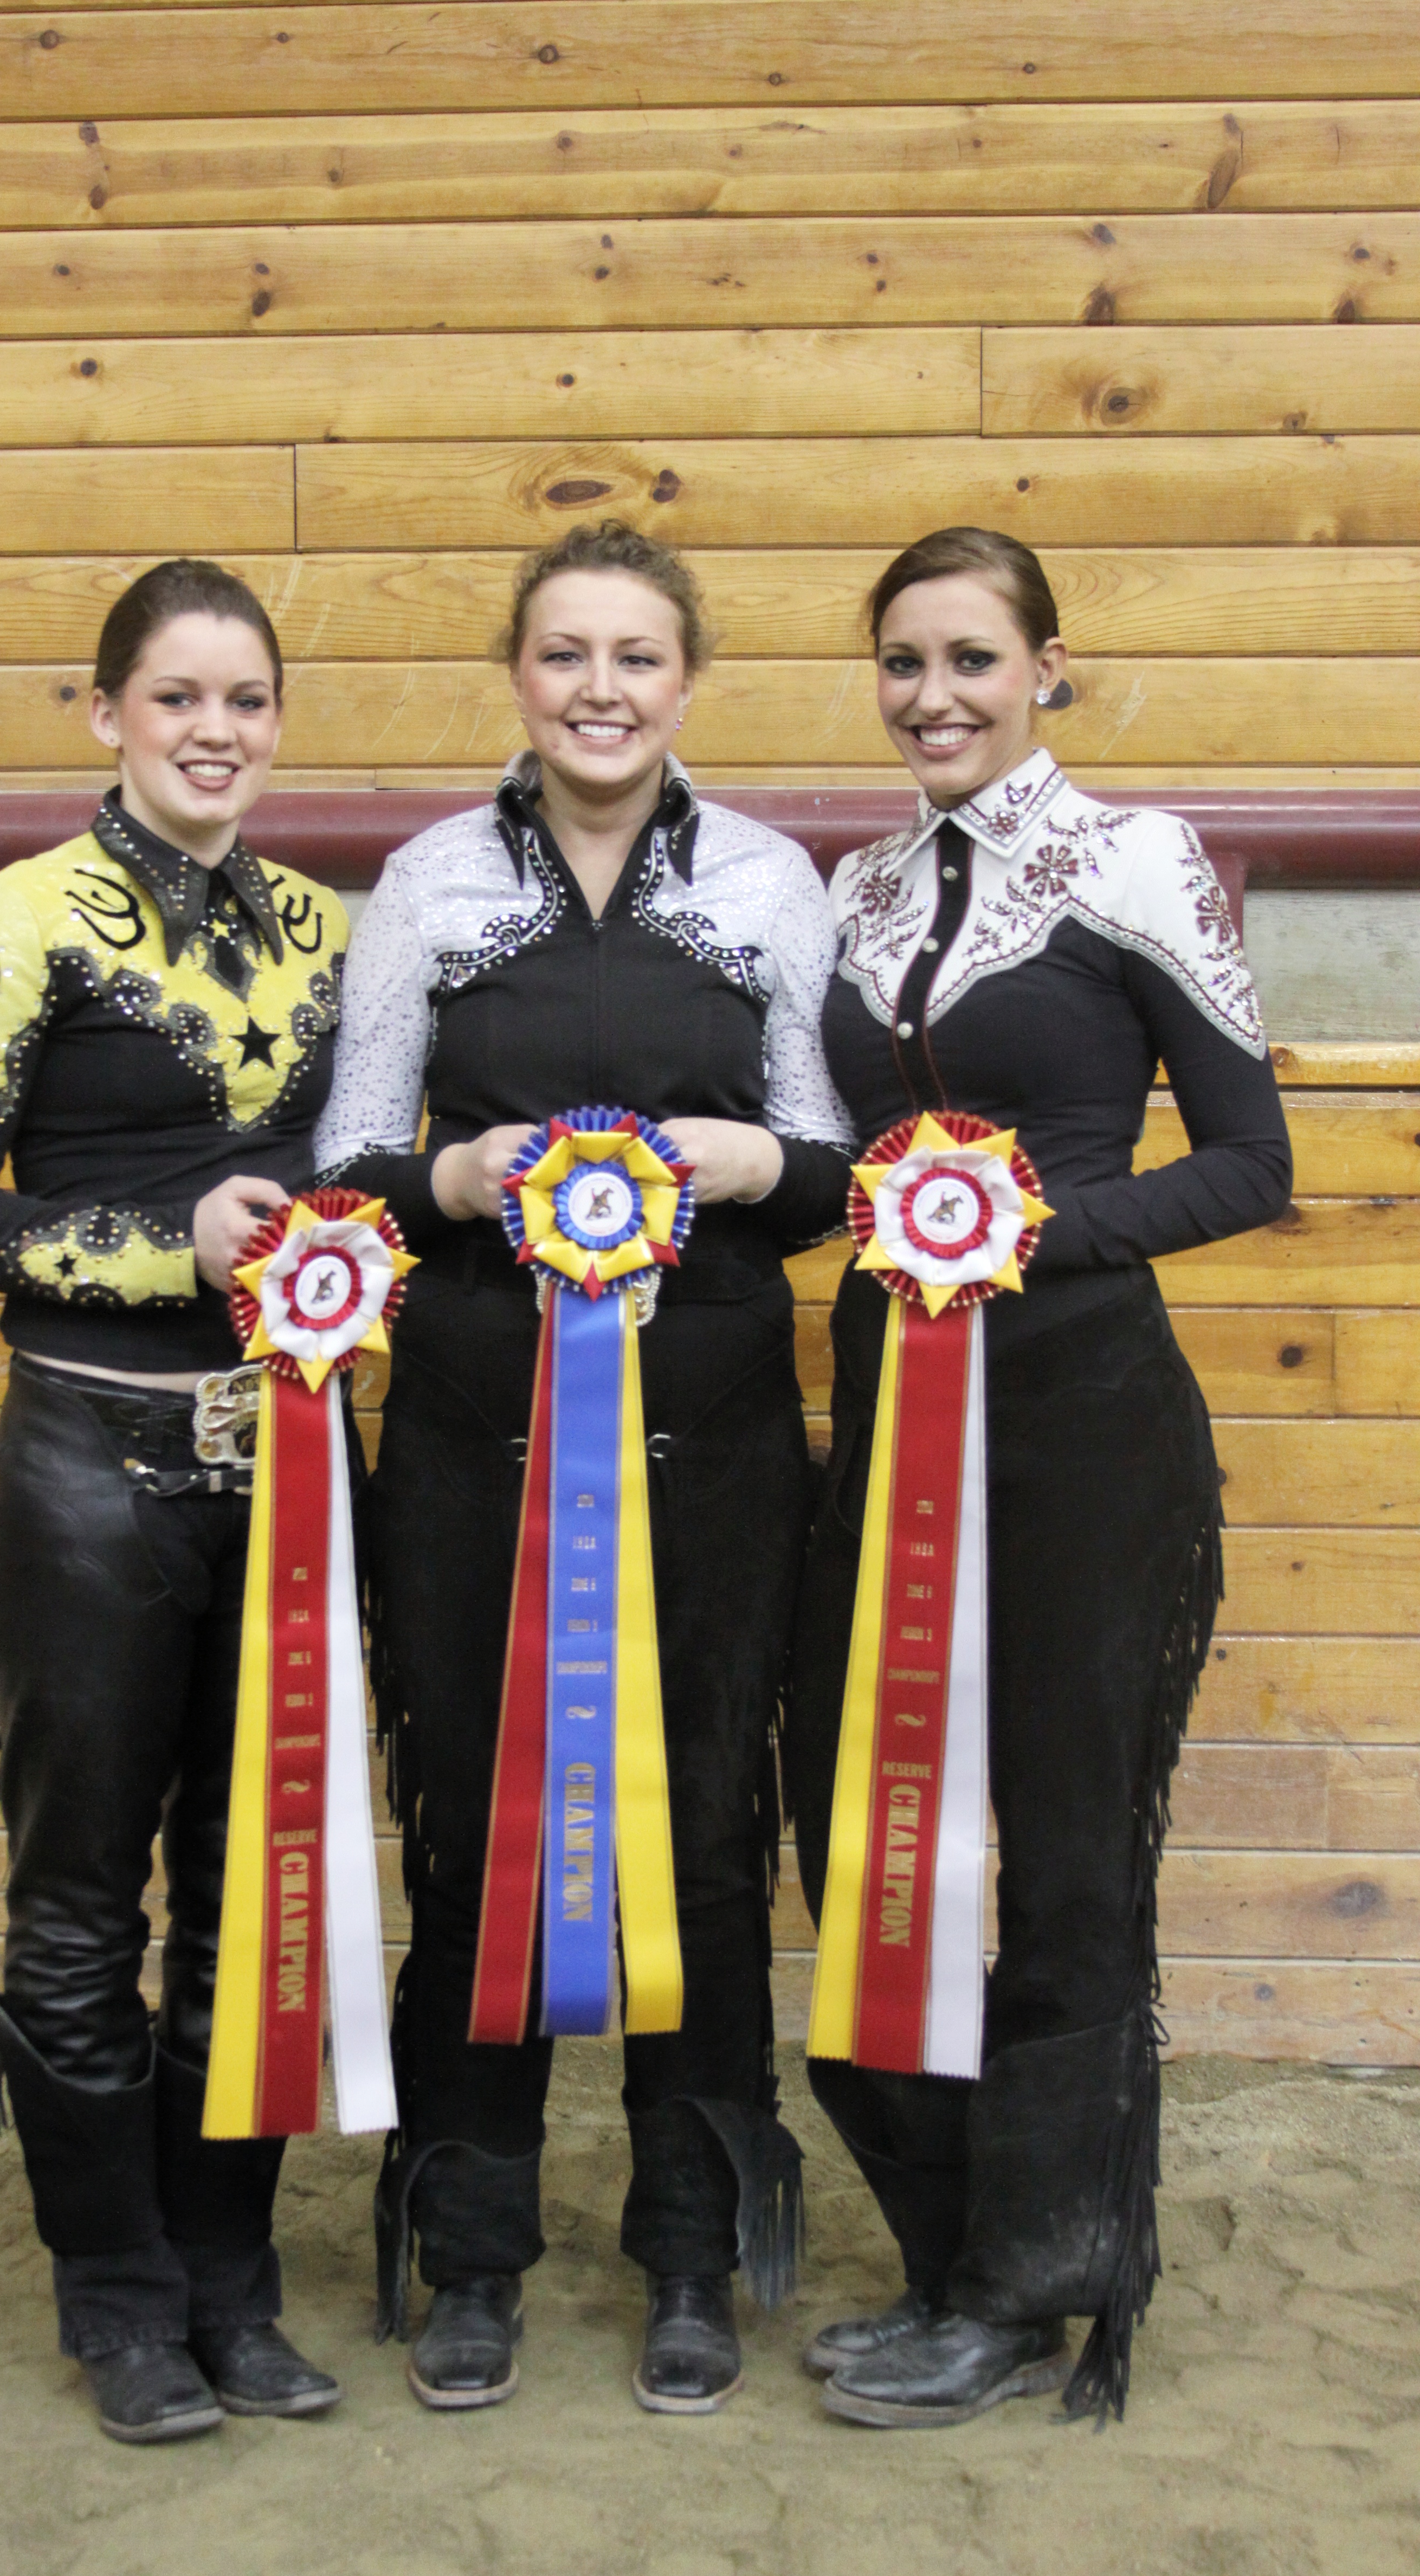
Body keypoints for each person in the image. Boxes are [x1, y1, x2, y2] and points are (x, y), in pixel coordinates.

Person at [314, 520, 853, 2414]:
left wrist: (752, 1169)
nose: (601, 689)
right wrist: (448, 1183)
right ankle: (471, 2254)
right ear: (518, 678)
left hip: (709, 1434)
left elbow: (842, 1170)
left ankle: (694, 2253)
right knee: (476, 1828)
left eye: (636, 655)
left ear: (686, 678)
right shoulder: (431, 881)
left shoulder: (780, 886)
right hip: (475, 1431)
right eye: (565, 655)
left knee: (699, 1828)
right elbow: (355, 1151)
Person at [785, 526, 1293, 2427]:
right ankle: (950, 2244)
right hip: (886, 1418)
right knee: (866, 1830)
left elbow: (1250, 1162)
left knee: (1069, 1855)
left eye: (973, 661)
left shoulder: (1137, 860)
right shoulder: (854, 889)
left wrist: (1026, 1232)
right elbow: (840, 1173)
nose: (935, 696)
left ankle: (1031, 2287)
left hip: (1081, 1421)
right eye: (903, 662)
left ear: (1047, 670)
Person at [0, 561, 351, 2444]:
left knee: (257, 1898)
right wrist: (176, 1245)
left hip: (292, 1465)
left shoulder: (337, 928)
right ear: (107, 716)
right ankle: (122, 2298)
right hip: (85, 1466)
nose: (216, 732)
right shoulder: (13, 925)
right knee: (82, 1901)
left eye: (246, 699)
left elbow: (375, 1163)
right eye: (178, 699)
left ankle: (231, 2283)